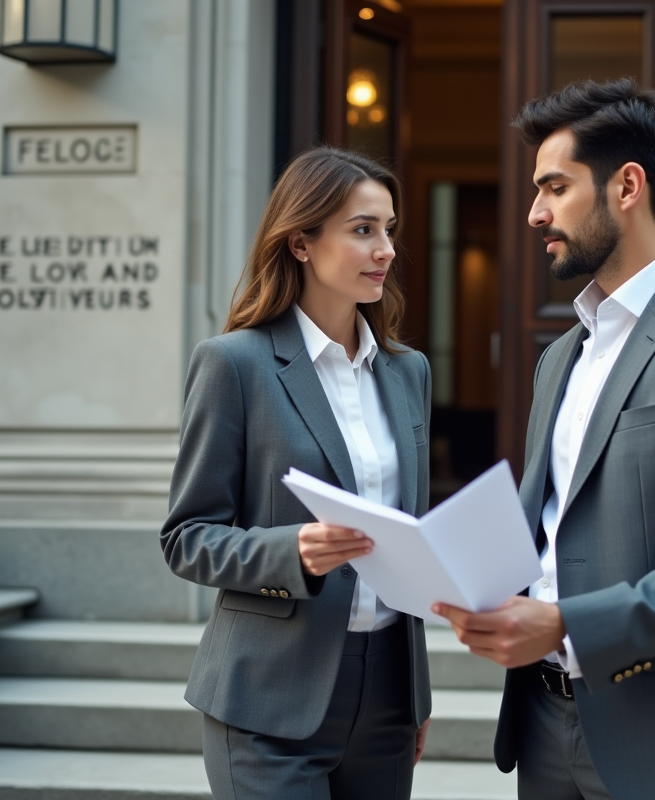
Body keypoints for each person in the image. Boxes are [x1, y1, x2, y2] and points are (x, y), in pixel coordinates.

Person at [434, 79, 655, 800]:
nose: (536, 212)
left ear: (627, 186)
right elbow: (555, 525)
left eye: (555, 187)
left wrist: (568, 623)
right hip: (542, 727)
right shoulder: (559, 355)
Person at [161, 147, 432, 800]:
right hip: (269, 697)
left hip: (386, 694)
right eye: (363, 229)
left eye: (389, 229)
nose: (386, 249)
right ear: (302, 242)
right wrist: (293, 551)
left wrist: (413, 694)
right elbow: (186, 537)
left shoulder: (408, 371)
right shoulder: (235, 364)